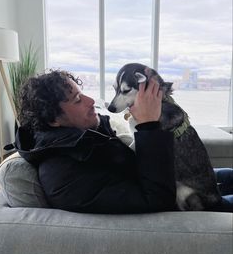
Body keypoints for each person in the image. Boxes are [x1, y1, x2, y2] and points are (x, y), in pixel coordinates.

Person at [14, 70, 233, 213]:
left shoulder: (79, 140)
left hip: (170, 178)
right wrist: (148, 125)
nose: (92, 101)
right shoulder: (65, 175)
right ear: (53, 120)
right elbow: (158, 199)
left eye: (83, 94)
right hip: (184, 201)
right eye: (78, 100)